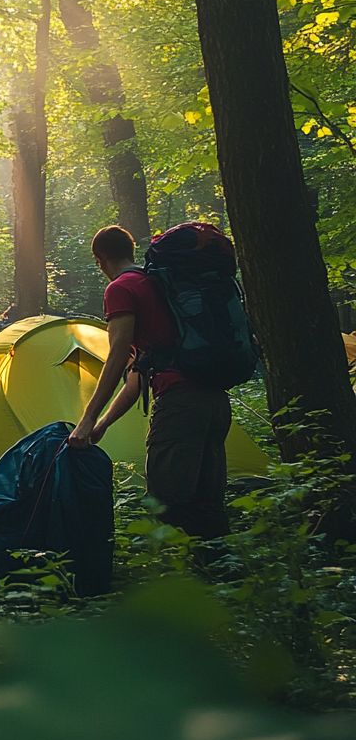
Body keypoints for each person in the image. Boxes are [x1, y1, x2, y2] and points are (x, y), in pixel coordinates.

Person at [68, 225, 231, 539]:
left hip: (180, 406)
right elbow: (135, 380)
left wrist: (86, 419)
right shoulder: (161, 283)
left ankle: (179, 583)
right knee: (208, 505)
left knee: (167, 505)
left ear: (100, 259)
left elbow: (117, 354)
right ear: (130, 250)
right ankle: (223, 578)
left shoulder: (121, 289)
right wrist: (102, 425)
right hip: (214, 401)